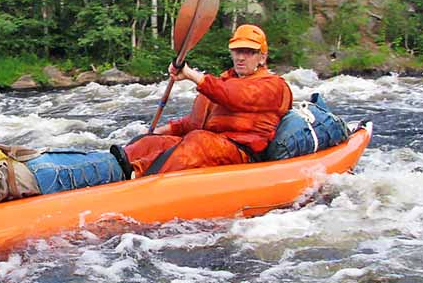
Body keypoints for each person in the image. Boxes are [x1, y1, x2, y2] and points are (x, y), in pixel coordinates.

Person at [111, 24, 292, 177]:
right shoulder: (223, 81)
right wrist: (160, 131)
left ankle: (139, 180)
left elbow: (234, 95)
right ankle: (112, 171)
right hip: (210, 144)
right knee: (149, 142)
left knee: (200, 142)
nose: (240, 57)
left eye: (249, 52)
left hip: (243, 153)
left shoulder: (274, 86)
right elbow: (193, 123)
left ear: (262, 57)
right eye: (237, 51)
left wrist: (189, 74)